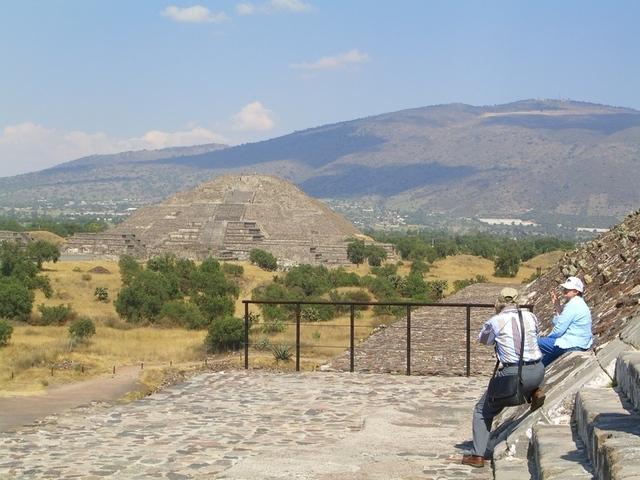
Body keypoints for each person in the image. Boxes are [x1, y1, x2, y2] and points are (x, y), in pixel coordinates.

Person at [462, 287, 544, 468]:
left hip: (513, 374)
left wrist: (495, 317)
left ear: (499, 302)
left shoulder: (495, 321)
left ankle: (477, 455)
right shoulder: (530, 316)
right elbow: (535, 335)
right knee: (522, 382)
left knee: (482, 410)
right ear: (517, 300)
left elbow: (484, 340)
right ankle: (532, 391)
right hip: (538, 369)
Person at [537, 276, 592, 367]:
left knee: (533, 342)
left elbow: (559, 330)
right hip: (580, 344)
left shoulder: (573, 305)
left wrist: (547, 339)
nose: (565, 290)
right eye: (565, 288)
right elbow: (562, 322)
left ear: (576, 291)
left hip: (571, 345)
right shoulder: (579, 303)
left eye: (568, 289)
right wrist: (557, 306)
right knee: (544, 362)